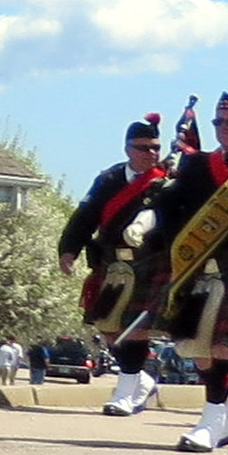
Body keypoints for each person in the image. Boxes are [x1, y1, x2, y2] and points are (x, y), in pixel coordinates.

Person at [146, 86, 228, 452]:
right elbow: (172, 205)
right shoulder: (198, 164)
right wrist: (149, 216)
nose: (223, 127)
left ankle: (209, 422)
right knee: (194, 345)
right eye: (218, 122)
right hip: (202, 264)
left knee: (224, 344)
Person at [61, 112, 176, 416]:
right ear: (128, 148)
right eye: (143, 148)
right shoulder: (109, 179)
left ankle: (125, 391)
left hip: (151, 262)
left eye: (155, 147)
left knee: (133, 329)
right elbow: (85, 216)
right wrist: (68, 249)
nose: (151, 154)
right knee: (109, 328)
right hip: (111, 263)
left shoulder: (168, 181)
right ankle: (141, 380)